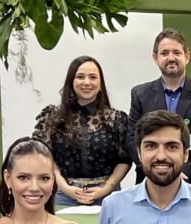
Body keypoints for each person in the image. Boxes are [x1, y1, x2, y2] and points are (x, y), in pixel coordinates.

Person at [127, 28, 191, 194]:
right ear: (155, 58)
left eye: (176, 52)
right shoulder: (140, 94)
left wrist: (184, 171)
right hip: (150, 183)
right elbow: (132, 139)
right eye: (164, 53)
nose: (171, 58)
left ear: (187, 56)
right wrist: (155, 169)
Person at [33, 56, 131, 206]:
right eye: (80, 77)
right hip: (64, 194)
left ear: (100, 84)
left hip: (107, 195)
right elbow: (45, 155)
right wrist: (64, 187)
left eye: (93, 77)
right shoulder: (51, 117)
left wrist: (106, 188)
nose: (87, 82)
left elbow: (124, 159)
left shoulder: (116, 119)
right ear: (71, 81)